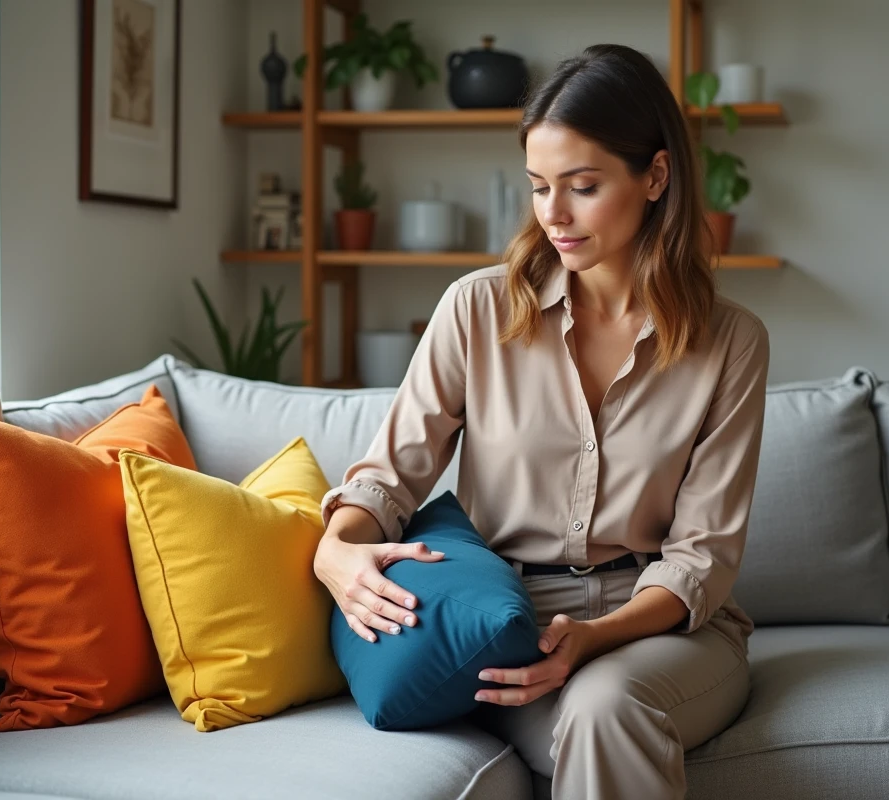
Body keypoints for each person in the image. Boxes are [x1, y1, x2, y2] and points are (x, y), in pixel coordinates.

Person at [313, 43, 770, 800]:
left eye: (583, 187)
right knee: (589, 720)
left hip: (663, 626)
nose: (553, 214)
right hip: (510, 619)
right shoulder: (477, 309)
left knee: (606, 709)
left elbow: (702, 559)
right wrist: (337, 553)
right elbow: (389, 479)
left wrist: (594, 639)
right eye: (538, 188)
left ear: (655, 176)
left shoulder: (732, 342)